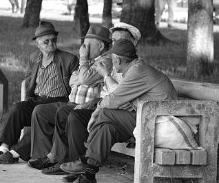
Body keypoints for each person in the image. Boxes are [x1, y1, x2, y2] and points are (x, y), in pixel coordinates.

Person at [60, 39, 178, 183]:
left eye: (113, 59)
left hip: (158, 121)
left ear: (119, 60)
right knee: (107, 128)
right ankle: (88, 175)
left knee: (104, 113)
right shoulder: (135, 68)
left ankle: (84, 162)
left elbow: (113, 99)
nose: (111, 63)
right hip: (147, 116)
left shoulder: (137, 70)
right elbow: (117, 98)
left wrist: (95, 114)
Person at [36, 22, 142, 178]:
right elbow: (74, 80)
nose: (115, 45)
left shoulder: (126, 64)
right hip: (108, 107)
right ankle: (69, 162)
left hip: (121, 112)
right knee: (61, 112)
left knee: (75, 115)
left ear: (133, 44)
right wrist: (95, 99)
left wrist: (96, 101)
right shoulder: (114, 59)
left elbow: (115, 94)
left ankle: (78, 164)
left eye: (121, 41)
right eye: (113, 41)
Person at [0, 21, 79, 164]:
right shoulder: (33, 58)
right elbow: (28, 78)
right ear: (38, 44)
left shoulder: (68, 59)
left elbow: (76, 84)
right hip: (38, 98)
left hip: (59, 101)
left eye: (54, 40)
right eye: (46, 41)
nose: (51, 43)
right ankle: (3, 148)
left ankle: (14, 154)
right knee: (18, 108)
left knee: (40, 114)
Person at [27, 25, 112, 171]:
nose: (83, 48)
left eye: (87, 44)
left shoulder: (105, 61)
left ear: (101, 45)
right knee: (40, 111)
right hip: (71, 102)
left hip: (87, 106)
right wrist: (83, 75)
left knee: (65, 113)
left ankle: (61, 160)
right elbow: (72, 80)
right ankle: (47, 156)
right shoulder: (90, 62)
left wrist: (83, 64)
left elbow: (83, 79)